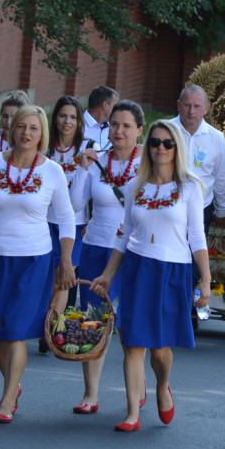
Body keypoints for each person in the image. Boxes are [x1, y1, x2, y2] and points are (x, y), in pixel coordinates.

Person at [89, 120, 210, 432]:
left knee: (160, 351)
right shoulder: (134, 186)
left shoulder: (189, 187)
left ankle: (162, 385)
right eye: (155, 142)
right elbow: (124, 235)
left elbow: (196, 237)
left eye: (167, 143)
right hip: (138, 269)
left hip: (172, 271)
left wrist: (206, 280)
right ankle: (132, 413)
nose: (160, 148)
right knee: (131, 343)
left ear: (176, 148)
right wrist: (107, 275)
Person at [0, 105, 75, 424]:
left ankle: (7, 398)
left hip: (33, 260)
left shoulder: (52, 171)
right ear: (12, 130)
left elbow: (66, 218)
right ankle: (14, 383)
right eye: (22, 126)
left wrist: (65, 259)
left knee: (15, 332)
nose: (26, 133)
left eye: (34, 128)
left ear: (42, 135)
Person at [69, 100, 146, 413]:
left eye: (127, 126)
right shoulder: (95, 159)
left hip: (132, 252)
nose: (119, 131)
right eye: (114, 124)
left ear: (139, 130)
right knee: (92, 321)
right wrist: (81, 169)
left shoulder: (149, 164)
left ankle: (138, 386)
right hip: (96, 248)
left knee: (130, 323)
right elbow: (75, 204)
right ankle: (91, 394)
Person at [44, 95, 89, 315]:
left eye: (73, 117)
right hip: (45, 222)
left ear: (80, 122)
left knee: (65, 276)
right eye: (63, 116)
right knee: (51, 278)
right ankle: (48, 324)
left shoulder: (88, 148)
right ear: (55, 119)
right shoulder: (44, 147)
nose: (67, 122)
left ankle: (52, 327)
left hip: (75, 224)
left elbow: (80, 201)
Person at [170, 85, 225, 231]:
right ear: (179, 105)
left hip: (201, 209)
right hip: (168, 207)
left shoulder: (216, 137)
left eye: (197, 106)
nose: (191, 111)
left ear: (206, 108)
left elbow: (220, 176)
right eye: (187, 105)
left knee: (194, 254)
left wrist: (222, 209)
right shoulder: (165, 130)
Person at [82, 85, 119, 151]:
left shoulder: (115, 127)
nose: (117, 111)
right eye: (115, 107)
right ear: (105, 105)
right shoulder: (78, 126)